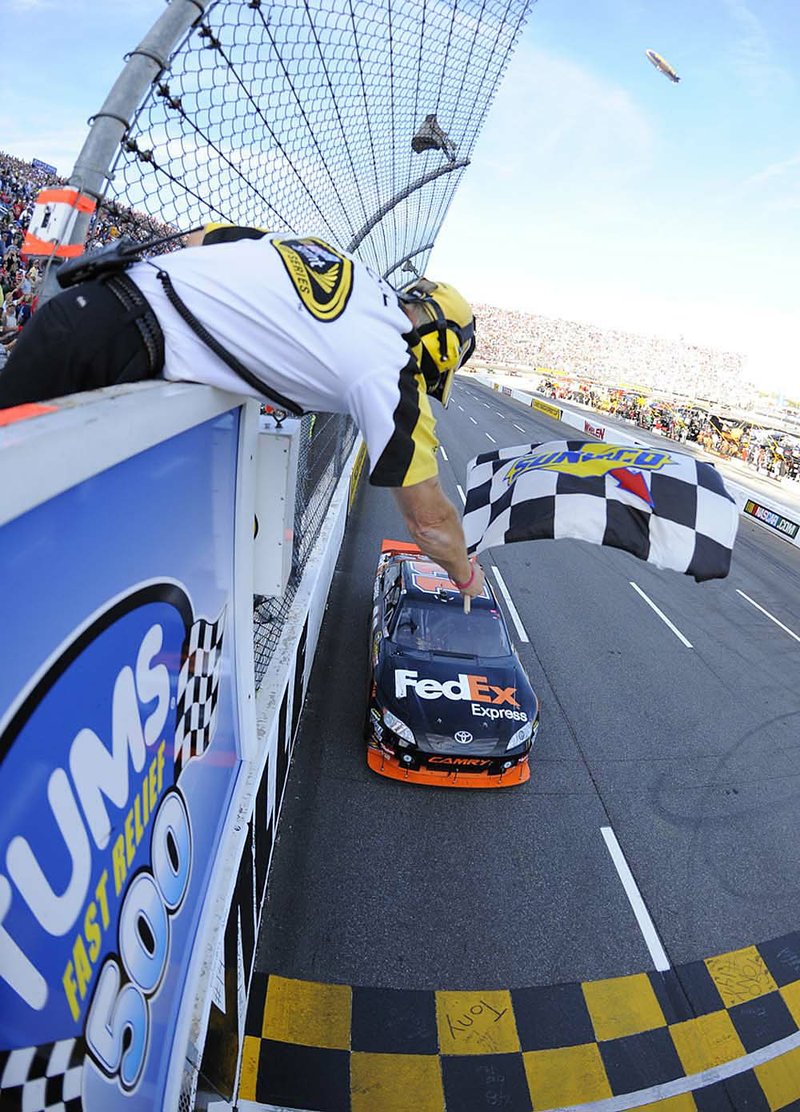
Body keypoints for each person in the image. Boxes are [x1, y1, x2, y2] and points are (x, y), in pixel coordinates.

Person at [0, 224, 484, 598]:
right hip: (117, 348)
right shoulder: (391, 367)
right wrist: (464, 574)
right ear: (442, 347)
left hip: (90, 307)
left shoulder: (340, 263)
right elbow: (428, 522)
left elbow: (209, 238)